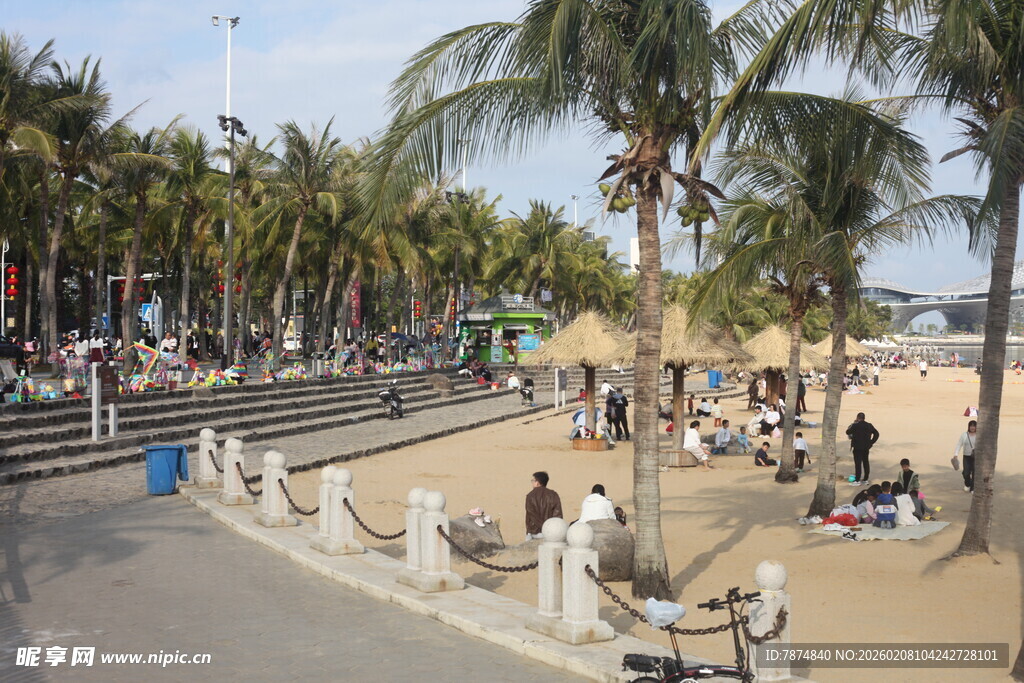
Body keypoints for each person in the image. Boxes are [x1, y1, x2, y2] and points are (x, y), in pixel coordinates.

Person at [525, 471, 563, 541]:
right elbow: (558, 515)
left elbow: (531, 515)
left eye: (533, 480)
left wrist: (543, 527)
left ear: (537, 482)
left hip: (534, 532)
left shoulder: (530, 496)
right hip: (551, 532)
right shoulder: (553, 495)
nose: (532, 482)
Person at [845, 412, 879, 486]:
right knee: (866, 462)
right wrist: (871, 442)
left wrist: (853, 424)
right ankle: (865, 479)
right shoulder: (869, 425)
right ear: (864, 418)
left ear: (858, 418)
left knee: (858, 464)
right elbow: (876, 434)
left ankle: (857, 480)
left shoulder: (855, 425)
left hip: (857, 447)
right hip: (866, 447)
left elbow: (847, 432)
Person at [953, 420, 977, 492]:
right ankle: (967, 484)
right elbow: (959, 445)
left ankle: (972, 488)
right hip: (966, 456)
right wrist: (956, 454)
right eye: (971, 426)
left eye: (974, 426)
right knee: (966, 472)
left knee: (974, 472)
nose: (972, 427)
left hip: (976, 457)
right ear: (969, 427)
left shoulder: (979, 435)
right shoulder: (964, 435)